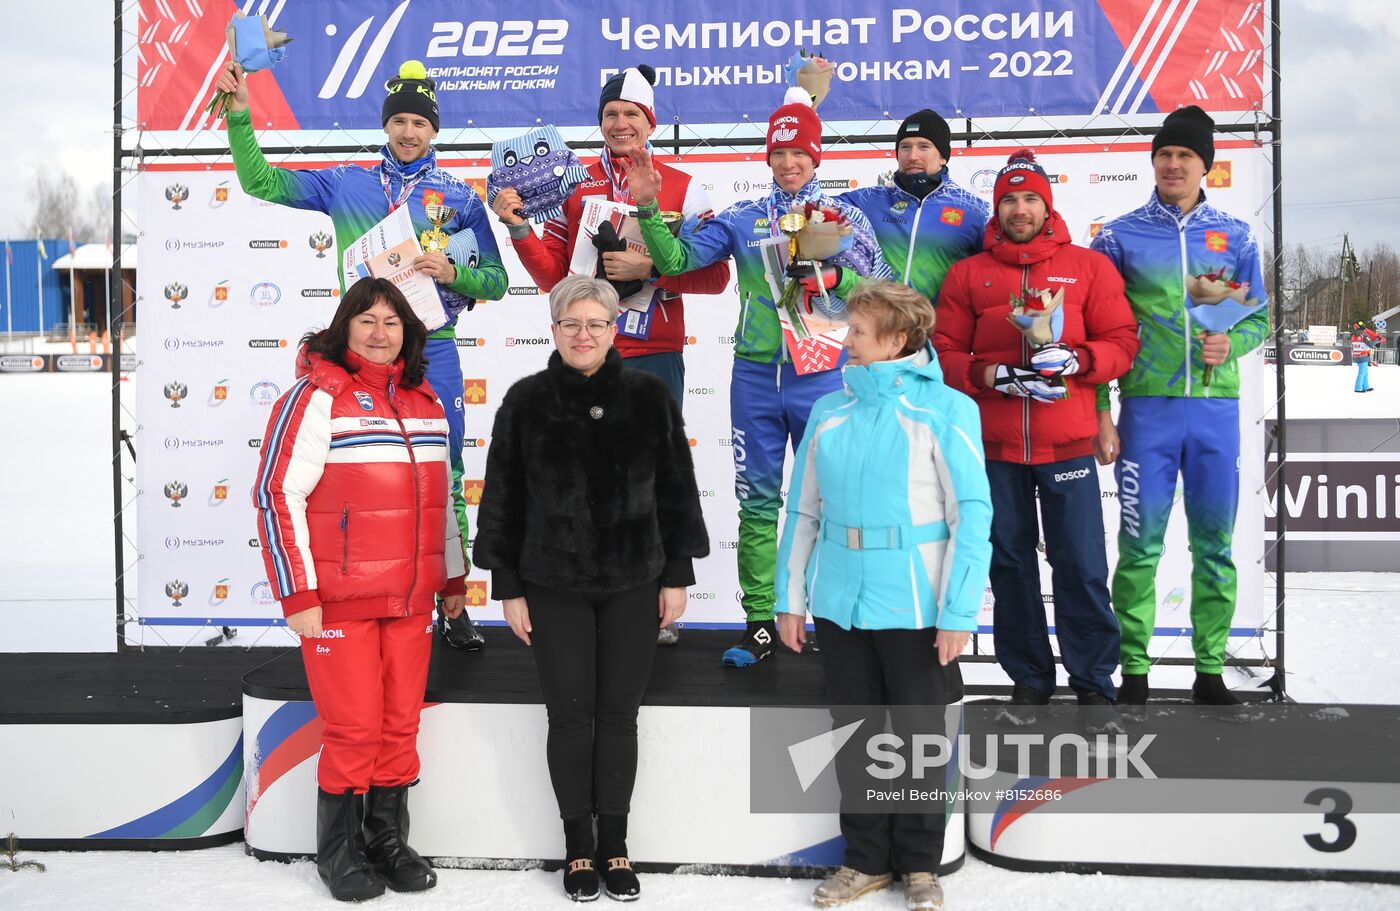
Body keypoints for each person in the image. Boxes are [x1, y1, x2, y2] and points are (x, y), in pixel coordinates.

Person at [218, 59, 506, 652]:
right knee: (357, 477)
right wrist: (241, 116)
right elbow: (261, 183)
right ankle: (367, 600)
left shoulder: (457, 197)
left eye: (419, 123)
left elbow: (497, 280)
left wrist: (454, 270)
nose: (408, 132)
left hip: (433, 351)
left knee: (443, 475)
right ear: (387, 125)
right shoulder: (346, 180)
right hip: (360, 352)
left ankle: (453, 602)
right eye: (399, 120)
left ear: (434, 131)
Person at [627, 87, 893, 668]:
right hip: (755, 378)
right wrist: (648, 209)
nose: (789, 163)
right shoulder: (744, 218)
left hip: (824, 376)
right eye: (779, 154)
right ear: (767, 159)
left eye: (799, 153)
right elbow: (675, 263)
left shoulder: (844, 218)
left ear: (816, 156)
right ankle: (760, 623)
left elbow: (889, 293)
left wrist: (833, 281)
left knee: (838, 501)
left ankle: (833, 617)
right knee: (758, 502)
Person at [472, 275, 709, 901]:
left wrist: (677, 576)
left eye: (595, 324)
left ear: (614, 330)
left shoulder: (651, 396)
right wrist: (509, 586)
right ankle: (579, 845)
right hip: (552, 583)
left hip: (636, 580)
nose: (583, 335)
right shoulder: (525, 401)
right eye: (571, 324)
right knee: (571, 718)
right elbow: (503, 500)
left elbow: (676, 493)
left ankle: (616, 845)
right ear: (553, 331)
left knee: (618, 717)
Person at [492, 64, 729, 647]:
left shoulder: (681, 184)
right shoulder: (571, 182)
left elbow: (718, 275)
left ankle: (650, 600)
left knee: (649, 476)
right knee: (577, 474)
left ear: (649, 122)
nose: (620, 124)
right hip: (585, 352)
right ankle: (580, 595)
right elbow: (553, 273)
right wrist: (520, 227)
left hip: (653, 353)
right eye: (610, 114)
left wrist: (654, 270)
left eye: (631, 115)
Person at [776, 279, 992, 911]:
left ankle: (920, 865)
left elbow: (971, 518)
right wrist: (790, 599)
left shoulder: (948, 409)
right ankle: (866, 860)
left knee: (922, 742)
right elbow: (803, 512)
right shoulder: (829, 410)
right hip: (840, 605)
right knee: (857, 736)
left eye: (860, 333)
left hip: (919, 608)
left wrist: (957, 613)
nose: (848, 343)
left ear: (899, 338)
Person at [253, 278, 466, 901]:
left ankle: (386, 840)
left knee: (400, 725)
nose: (379, 333)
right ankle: (338, 852)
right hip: (339, 602)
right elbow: (276, 494)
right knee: (353, 728)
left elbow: (441, 504)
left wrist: (451, 576)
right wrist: (299, 594)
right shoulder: (316, 397)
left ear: (409, 332)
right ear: (345, 327)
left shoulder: (424, 400)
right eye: (367, 321)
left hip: (411, 599)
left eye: (392, 322)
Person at [935, 150, 1139, 727]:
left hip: (1067, 443)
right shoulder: (968, 273)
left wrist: (1077, 359)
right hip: (995, 448)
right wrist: (986, 374)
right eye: (1009, 199)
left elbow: (1123, 341)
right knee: (1009, 563)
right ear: (995, 208)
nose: (1019, 209)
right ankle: (1028, 676)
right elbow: (944, 352)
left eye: (1030, 199)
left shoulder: (1089, 267)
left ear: (1047, 205)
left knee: (1080, 563)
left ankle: (1094, 679)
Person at [1090, 106, 1270, 709]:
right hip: (1148, 410)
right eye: (1165, 154)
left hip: (1215, 412)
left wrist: (1233, 340)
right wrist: (1100, 412)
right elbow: (1096, 329)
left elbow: (1258, 319)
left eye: (1185, 156)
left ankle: (1211, 669)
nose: (1173, 164)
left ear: (1205, 167)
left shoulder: (1238, 235)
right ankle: (1134, 670)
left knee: (1214, 545)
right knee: (1140, 545)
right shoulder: (1117, 236)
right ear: (1154, 162)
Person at [842, 109, 989, 301]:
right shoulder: (867, 200)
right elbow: (812, 206)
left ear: (943, 156)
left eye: (924, 147)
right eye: (905, 147)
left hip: (940, 329)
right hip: (881, 326)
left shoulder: (976, 211)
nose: (913, 156)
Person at [1351, 320, 1380, 393]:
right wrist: (1377, 339)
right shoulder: (1364, 335)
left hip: (1357, 356)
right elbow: (1371, 344)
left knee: (1365, 372)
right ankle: (1358, 388)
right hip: (1363, 356)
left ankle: (1366, 386)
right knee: (1362, 372)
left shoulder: (1354, 335)